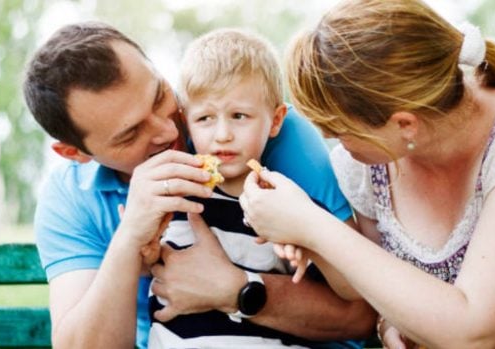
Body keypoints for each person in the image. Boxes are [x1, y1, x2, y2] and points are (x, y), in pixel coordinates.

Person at [240, 0, 495, 348]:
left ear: (404, 124)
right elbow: (368, 281)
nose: (335, 146)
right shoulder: (367, 164)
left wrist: (312, 225)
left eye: (341, 132)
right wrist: (386, 323)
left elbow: (475, 331)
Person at [23, 22, 376, 349]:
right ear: (74, 152)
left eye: (160, 95)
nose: (169, 131)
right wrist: (129, 238)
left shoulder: (264, 135)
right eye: (131, 134)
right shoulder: (69, 198)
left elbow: (361, 315)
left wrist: (237, 290)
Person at [147, 28, 370, 348]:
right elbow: (145, 263)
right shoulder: (172, 195)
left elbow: (351, 292)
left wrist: (310, 243)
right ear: (186, 122)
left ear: (276, 120)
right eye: (206, 118)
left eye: (239, 116)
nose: (222, 134)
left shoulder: (290, 204)